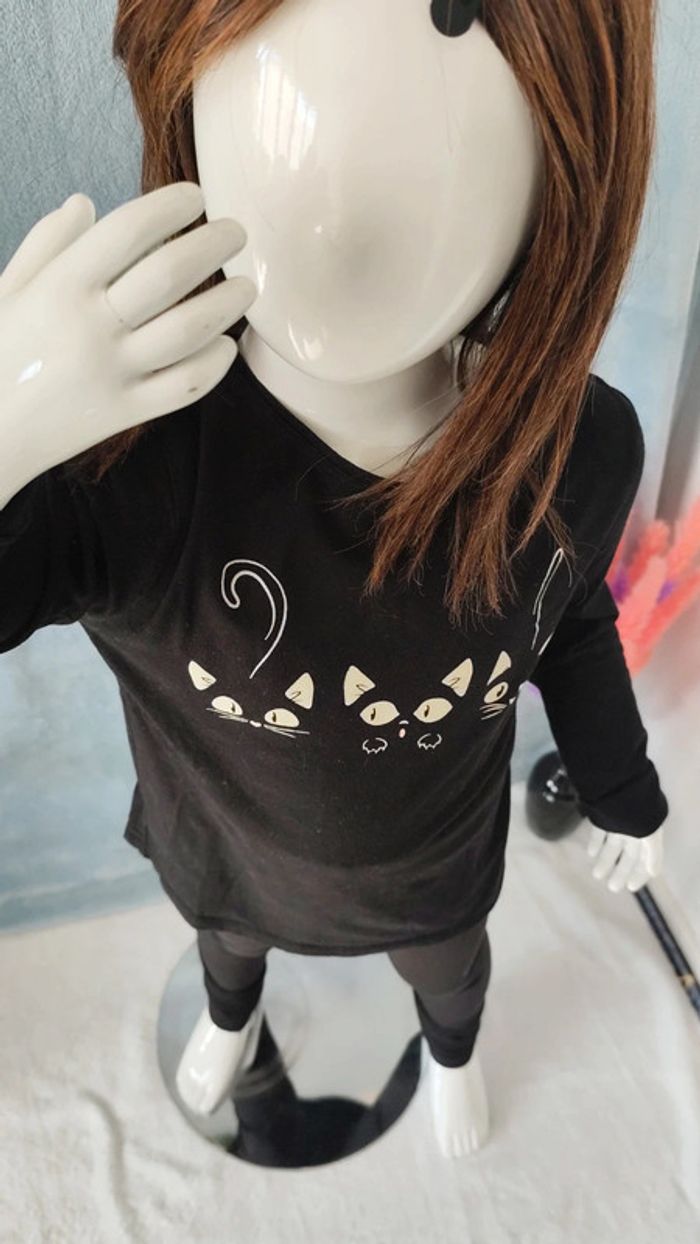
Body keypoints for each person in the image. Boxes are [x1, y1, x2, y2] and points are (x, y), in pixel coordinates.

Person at [0, 0, 667, 1160]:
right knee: (227, 954)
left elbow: (570, 623)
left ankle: (451, 1054)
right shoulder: (123, 462)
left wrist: (621, 784)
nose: (338, 202)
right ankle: (230, 1020)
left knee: (449, 977)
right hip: (223, 858)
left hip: (436, 871)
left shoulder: (574, 450)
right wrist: (7, 432)